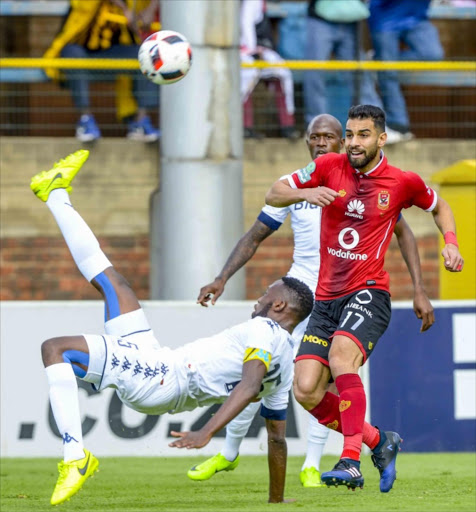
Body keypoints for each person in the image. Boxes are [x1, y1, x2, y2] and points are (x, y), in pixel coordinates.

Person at [29, 150, 314, 505]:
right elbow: (276, 438)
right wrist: (276, 500)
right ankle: (55, 192)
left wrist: (205, 432)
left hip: (159, 378)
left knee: (53, 349)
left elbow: (248, 385)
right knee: (113, 282)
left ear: (279, 305)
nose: (257, 300)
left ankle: (75, 458)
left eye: (264, 294)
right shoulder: (285, 358)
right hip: (160, 365)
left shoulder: (264, 331)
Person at [189, 114, 435, 488]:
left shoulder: (372, 186)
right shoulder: (298, 187)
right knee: (272, 375)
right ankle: (229, 451)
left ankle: (319, 462)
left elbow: (403, 231)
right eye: (314, 137)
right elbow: (256, 234)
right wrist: (222, 278)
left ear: (345, 142)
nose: (321, 143)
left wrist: (419, 287)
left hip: (354, 290)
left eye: (330, 137)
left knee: (337, 370)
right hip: (301, 296)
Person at [265, 104, 464, 492]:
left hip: (369, 292)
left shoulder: (401, 181)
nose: (355, 143)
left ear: (381, 138)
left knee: (342, 358)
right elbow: (275, 193)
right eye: (351, 134)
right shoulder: (327, 166)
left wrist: (451, 244)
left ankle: (351, 461)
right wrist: (306, 191)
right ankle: (379, 441)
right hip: (326, 300)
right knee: (305, 389)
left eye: (363, 135)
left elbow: (440, 207)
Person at [43, 0, 160, 142]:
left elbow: (137, 34)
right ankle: (85, 121)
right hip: (81, 53)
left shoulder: (132, 4)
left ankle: (140, 123)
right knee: (72, 54)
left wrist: (149, 11)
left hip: (111, 55)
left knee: (144, 53)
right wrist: (123, 7)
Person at [368, 0, 444, 140]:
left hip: (417, 18)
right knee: (388, 73)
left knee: (433, 54)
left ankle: (378, 60)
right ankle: (399, 125)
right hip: (385, 20)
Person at [303, 0, 383, 129]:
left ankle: (374, 126)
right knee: (315, 74)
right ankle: (316, 126)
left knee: (360, 76)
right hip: (319, 18)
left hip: (351, 21)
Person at [241, 0, 300, 139]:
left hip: (258, 49)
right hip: (244, 51)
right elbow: (245, 22)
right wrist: (252, 51)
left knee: (283, 73)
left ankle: (288, 126)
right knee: (247, 75)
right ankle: (245, 127)